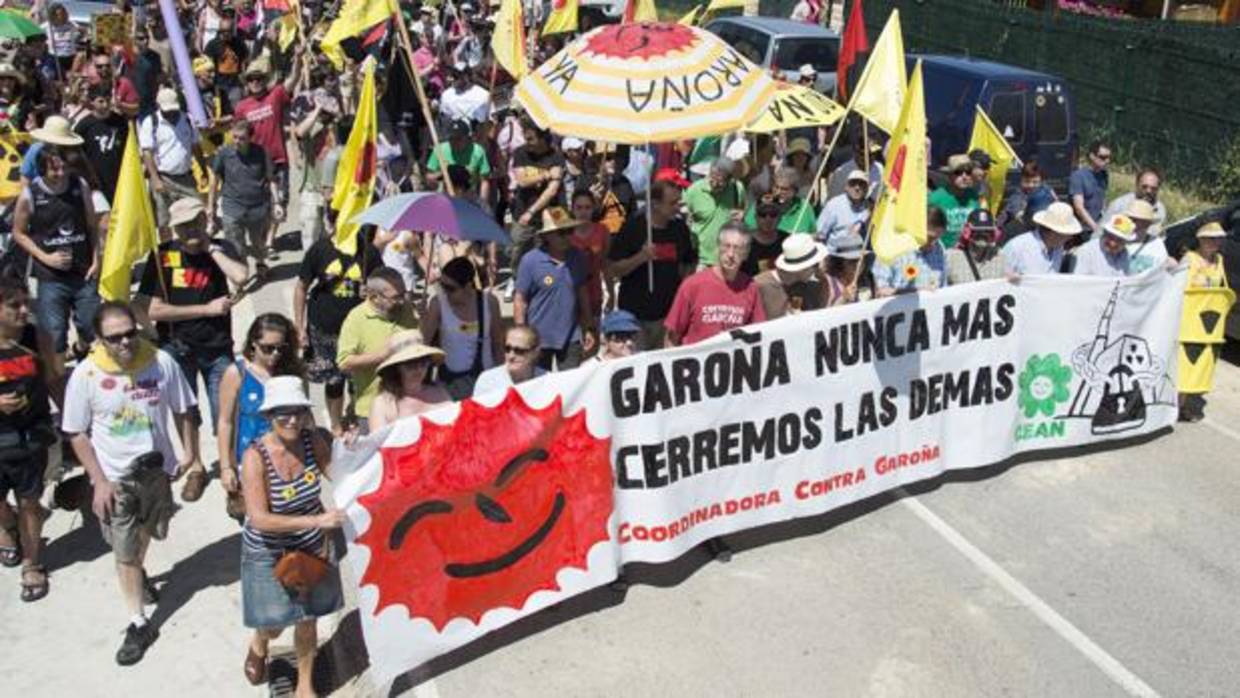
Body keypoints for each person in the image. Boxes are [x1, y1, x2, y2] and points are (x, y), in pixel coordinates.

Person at [62, 302, 198, 666]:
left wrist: (190, 454)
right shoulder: (87, 375)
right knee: (123, 552)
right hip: (116, 481)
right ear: (99, 340)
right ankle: (138, 623)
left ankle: (138, 575)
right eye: (114, 337)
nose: (125, 342)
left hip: (156, 475)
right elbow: (75, 433)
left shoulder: (160, 362)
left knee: (144, 536)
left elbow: (184, 408)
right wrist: (99, 481)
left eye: (129, 333)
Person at [138, 197, 248, 502]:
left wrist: (212, 249)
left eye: (196, 222)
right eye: (184, 226)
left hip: (218, 348)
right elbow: (150, 309)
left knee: (226, 412)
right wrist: (206, 309)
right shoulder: (163, 258)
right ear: (174, 229)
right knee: (186, 412)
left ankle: (230, 471)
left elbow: (241, 276)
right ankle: (196, 466)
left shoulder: (221, 249)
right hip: (177, 347)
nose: (191, 231)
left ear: (205, 220)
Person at [239, 376, 344, 696]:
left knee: (307, 617)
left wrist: (351, 448)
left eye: (298, 411)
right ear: (269, 416)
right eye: (282, 412)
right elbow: (259, 518)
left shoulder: (313, 442)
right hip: (268, 551)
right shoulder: (255, 457)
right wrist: (317, 520)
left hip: (310, 548)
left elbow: (340, 475)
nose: (292, 419)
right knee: (274, 623)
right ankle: (261, 640)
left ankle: (304, 685)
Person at [12, 142, 100, 364]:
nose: (61, 173)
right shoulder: (30, 194)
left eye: (63, 168)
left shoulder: (79, 186)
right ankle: (61, 379)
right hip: (51, 276)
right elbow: (19, 233)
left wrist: (97, 259)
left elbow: (92, 226)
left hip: (83, 271)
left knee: (92, 326)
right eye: (54, 169)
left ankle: (81, 348)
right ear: (42, 170)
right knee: (54, 333)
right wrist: (44, 257)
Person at [294, 231, 382, 435]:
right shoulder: (320, 249)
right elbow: (301, 287)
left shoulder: (369, 253)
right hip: (324, 329)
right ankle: (335, 424)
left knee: (356, 380)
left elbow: (383, 286)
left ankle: (352, 411)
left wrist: (371, 292)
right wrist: (299, 327)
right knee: (334, 380)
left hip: (359, 331)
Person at [0, 276, 55, 602]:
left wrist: (74, 422)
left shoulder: (37, 337)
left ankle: (32, 563)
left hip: (30, 435)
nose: (24, 311)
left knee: (30, 503)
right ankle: (7, 529)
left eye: (26, 304)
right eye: (14, 306)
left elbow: (53, 379)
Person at [217, 314, 304, 503]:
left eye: (281, 348)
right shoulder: (236, 374)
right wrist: (226, 467)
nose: (275, 354)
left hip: (289, 458)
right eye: (268, 348)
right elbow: (225, 422)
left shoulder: (292, 372)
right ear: (253, 344)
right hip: (250, 461)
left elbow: (305, 416)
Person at [607, 179, 697, 350]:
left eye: (679, 202)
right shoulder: (633, 227)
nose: (678, 207)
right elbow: (613, 269)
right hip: (635, 316)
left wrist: (684, 288)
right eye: (672, 203)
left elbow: (689, 262)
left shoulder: (679, 228)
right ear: (655, 204)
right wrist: (640, 257)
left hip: (668, 315)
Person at [336, 268, 419, 433]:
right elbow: (344, 362)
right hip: (372, 409)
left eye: (403, 294)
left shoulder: (407, 309)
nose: (403, 301)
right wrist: (383, 355)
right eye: (396, 297)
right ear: (374, 297)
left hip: (408, 402)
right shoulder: (356, 319)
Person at [514, 207, 597, 370]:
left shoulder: (578, 257)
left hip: (571, 336)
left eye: (569, 230)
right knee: (539, 389)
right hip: (537, 339)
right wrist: (521, 335)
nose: (567, 236)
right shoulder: (530, 261)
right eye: (561, 232)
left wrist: (589, 328)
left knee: (570, 387)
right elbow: (520, 300)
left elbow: (582, 293)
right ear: (546, 236)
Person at [665, 225, 766, 346]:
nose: (731, 254)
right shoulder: (692, 285)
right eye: (726, 246)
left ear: (746, 254)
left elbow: (758, 333)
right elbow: (672, 335)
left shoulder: (750, 287)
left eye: (738, 248)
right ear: (718, 248)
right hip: (694, 363)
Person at [207, 119, 282, 278]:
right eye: (234, 137)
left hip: (258, 208)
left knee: (258, 243)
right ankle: (239, 278)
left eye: (242, 138)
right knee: (235, 246)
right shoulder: (224, 154)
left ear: (250, 138)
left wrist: (276, 203)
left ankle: (260, 263)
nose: (237, 141)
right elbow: (214, 180)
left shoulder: (261, 153)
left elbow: (271, 179)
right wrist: (210, 205)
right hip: (232, 207)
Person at [420, 257, 503, 400]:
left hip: (484, 382)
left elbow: (498, 344)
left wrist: (503, 378)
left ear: (468, 285)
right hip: (449, 383)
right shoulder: (437, 304)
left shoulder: (489, 302)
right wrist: (423, 318)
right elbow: (423, 343)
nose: (445, 292)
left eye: (451, 288)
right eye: (442, 285)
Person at [1177, 222, 1232, 423]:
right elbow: (1177, 286)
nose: (1214, 242)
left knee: (1201, 365)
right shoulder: (1190, 259)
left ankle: (1185, 405)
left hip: (1209, 325)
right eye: (1210, 238)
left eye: (1218, 239)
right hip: (1188, 320)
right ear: (1200, 239)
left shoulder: (1220, 261)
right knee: (1184, 363)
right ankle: (1175, 406)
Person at [234, 60, 298, 213]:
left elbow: (293, 79)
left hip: (278, 159)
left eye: (259, 79)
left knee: (281, 201)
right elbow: (238, 134)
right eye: (251, 79)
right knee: (260, 202)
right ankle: (266, 236)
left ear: (265, 80)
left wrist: (297, 58)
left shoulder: (275, 95)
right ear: (247, 83)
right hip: (256, 161)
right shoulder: (241, 107)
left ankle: (270, 236)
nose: (255, 82)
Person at [138, 88, 203, 232]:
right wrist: (155, 179)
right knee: (164, 221)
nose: (171, 113)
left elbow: (196, 146)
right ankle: (167, 252)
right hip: (164, 178)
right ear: (158, 106)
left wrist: (203, 169)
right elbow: (147, 152)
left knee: (197, 213)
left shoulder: (187, 119)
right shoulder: (150, 122)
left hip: (186, 177)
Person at [508, 119, 565, 283]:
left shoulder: (556, 156)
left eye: (531, 139)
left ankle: (540, 281)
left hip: (548, 214)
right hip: (522, 211)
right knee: (516, 248)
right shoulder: (520, 153)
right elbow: (521, 180)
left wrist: (532, 211)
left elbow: (551, 190)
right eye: (526, 138)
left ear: (542, 138)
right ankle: (516, 279)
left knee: (543, 252)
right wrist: (546, 175)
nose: (527, 143)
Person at [368, 333, 452, 431]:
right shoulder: (382, 404)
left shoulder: (440, 393)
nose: (418, 369)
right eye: (410, 364)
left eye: (423, 362)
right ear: (396, 367)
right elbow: (377, 443)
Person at [684, 157, 745, 268]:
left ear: (730, 180)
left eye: (720, 182)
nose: (715, 184)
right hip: (702, 260)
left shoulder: (737, 189)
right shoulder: (694, 191)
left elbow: (744, 212)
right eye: (712, 179)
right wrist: (686, 219)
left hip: (729, 258)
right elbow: (682, 212)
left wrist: (742, 216)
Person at [73, 84, 128, 205]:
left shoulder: (120, 121)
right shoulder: (83, 126)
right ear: (92, 102)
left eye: (108, 100)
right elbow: (78, 154)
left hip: (120, 176)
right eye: (101, 101)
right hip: (97, 180)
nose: (106, 104)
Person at [874, 207, 949, 295]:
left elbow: (943, 287)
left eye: (938, 237)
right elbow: (881, 291)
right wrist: (916, 293)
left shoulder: (939, 248)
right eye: (930, 238)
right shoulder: (891, 249)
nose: (933, 244)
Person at [754, 234, 828, 319]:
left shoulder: (810, 286)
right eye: (816, 265)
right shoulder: (758, 286)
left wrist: (824, 281)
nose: (818, 268)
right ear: (801, 269)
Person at [1003, 201, 1081, 276]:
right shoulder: (1017, 247)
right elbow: (999, 281)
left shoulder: (1058, 248)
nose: (1070, 237)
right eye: (1067, 234)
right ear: (1054, 232)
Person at [426, 119, 491, 201]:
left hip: (468, 198)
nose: (454, 142)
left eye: (459, 138)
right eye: (451, 138)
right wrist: (442, 173)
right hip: (444, 197)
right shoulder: (439, 150)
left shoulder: (478, 151)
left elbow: (484, 180)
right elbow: (429, 177)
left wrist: (483, 202)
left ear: (468, 138)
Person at [472, 326, 546, 396]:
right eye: (507, 349)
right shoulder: (487, 380)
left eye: (519, 351)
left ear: (535, 353)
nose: (511, 356)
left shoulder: (548, 381)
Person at [744, 166, 816, 235]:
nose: (778, 192)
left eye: (784, 189)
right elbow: (748, 230)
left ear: (795, 191)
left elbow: (813, 233)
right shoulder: (761, 204)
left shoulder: (804, 207)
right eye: (776, 187)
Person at [928, 154, 980, 249]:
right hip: (942, 252)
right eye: (958, 172)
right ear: (949, 175)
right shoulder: (935, 198)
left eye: (968, 172)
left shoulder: (973, 196)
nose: (964, 176)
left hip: (968, 252)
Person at [946, 209, 1006, 284]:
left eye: (987, 231)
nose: (983, 234)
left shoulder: (1000, 257)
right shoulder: (951, 257)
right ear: (967, 232)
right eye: (977, 231)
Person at [998, 160, 1056, 238]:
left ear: (1041, 182)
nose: (1031, 185)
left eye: (1035, 182)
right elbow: (1019, 216)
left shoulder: (1046, 191)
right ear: (1021, 180)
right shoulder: (1017, 197)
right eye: (1027, 181)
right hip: (1018, 233)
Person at [1073, 213, 1137, 278]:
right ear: (1104, 233)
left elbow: (1126, 277)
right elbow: (1079, 281)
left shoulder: (1124, 253)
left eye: (1119, 240)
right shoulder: (1087, 250)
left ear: (1126, 242)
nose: (1113, 243)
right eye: (1111, 237)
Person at [1104, 167, 1167, 232]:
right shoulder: (1119, 205)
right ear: (1137, 185)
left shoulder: (1160, 210)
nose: (1148, 191)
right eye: (1144, 187)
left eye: (1153, 188)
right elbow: (1098, 236)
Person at [816, 169, 870, 244]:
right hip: (836, 253)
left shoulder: (870, 207)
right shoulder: (834, 205)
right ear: (846, 187)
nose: (857, 188)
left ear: (867, 189)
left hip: (862, 252)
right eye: (853, 184)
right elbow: (820, 235)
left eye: (861, 184)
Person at [1069, 140, 1111, 235]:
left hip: (1098, 224)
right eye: (1103, 157)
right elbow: (1079, 207)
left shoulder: (1104, 175)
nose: (1107, 161)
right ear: (1092, 156)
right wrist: (1095, 228)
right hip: (1081, 229)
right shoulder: (1078, 176)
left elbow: (1103, 199)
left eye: (1108, 157)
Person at [743, 195, 788, 277]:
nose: (768, 219)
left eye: (773, 214)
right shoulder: (744, 241)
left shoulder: (787, 241)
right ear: (756, 217)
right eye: (763, 214)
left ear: (780, 217)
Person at [1124, 198, 1168, 275]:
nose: (1135, 224)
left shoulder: (1156, 244)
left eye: (1141, 221)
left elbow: (1162, 269)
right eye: (1131, 219)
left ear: (1148, 224)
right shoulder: (1115, 238)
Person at [438, 63, 490, 128]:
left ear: (468, 76)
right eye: (454, 75)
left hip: (480, 133)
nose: (456, 78)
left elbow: (491, 120)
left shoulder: (483, 94)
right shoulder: (446, 96)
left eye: (459, 75)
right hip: (457, 135)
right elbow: (445, 121)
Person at [822, 231, 866, 306]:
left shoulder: (868, 279)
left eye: (860, 260)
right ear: (840, 262)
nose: (858, 265)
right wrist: (843, 299)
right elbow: (824, 314)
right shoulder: (829, 282)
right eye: (852, 261)